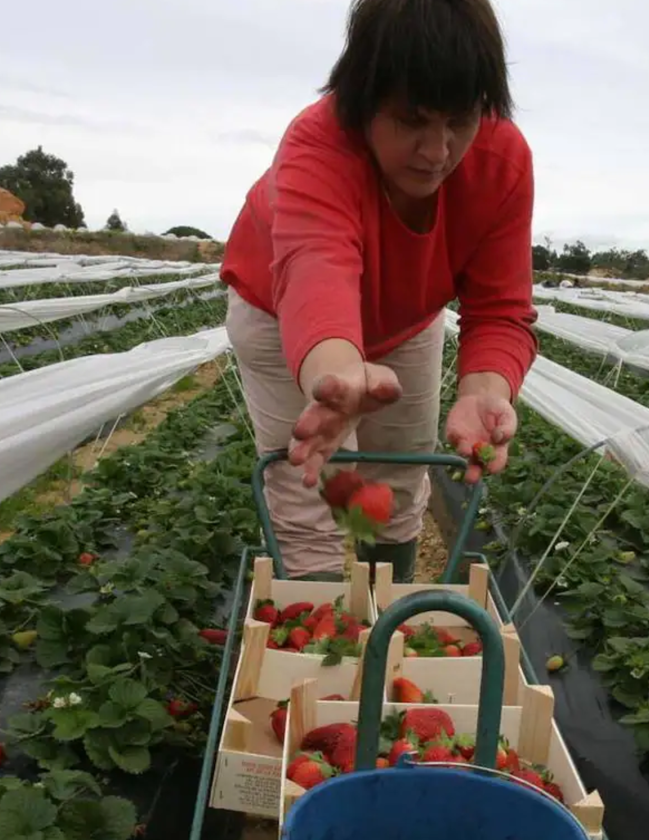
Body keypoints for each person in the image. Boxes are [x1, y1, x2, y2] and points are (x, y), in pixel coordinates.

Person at [221, 0, 539, 583]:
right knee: (306, 481)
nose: (438, 150)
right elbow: (314, 270)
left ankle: (384, 613)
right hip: (276, 312)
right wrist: (339, 375)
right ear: (363, 99)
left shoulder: (502, 162)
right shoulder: (318, 144)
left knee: (398, 475)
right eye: (412, 120)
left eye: (460, 120)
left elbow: (499, 308)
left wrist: (486, 389)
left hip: (409, 319)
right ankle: (320, 644)